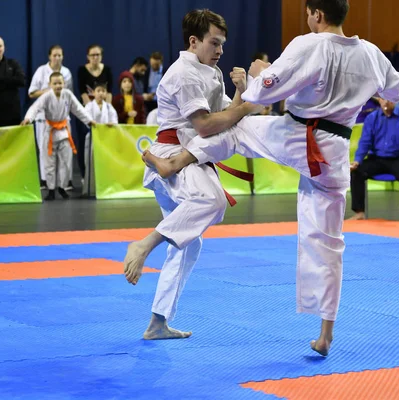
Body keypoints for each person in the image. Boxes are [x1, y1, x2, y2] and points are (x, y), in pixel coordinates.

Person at [141, 0, 399, 356]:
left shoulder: (307, 44)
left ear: (316, 14)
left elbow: (263, 92)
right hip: (336, 150)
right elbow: (397, 92)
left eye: (308, 13)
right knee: (329, 242)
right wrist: (353, 89)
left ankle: (176, 163)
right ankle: (325, 334)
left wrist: (260, 72)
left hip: (298, 135)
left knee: (238, 128)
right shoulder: (372, 54)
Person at [122, 9, 261, 341]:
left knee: (189, 243)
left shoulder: (209, 72)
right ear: (194, 41)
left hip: (185, 162)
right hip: (171, 160)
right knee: (211, 200)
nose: (220, 51)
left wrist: (241, 92)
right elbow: (205, 125)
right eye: (214, 43)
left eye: (223, 44)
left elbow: (226, 115)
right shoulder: (184, 72)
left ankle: (158, 322)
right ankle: (143, 245)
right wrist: (247, 105)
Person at [21, 72, 95, 200]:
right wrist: (28, 119)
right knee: (49, 162)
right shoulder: (46, 96)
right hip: (49, 131)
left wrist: (89, 120)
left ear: (64, 83)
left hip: (64, 132)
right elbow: (35, 107)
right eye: (54, 83)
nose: (58, 86)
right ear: (50, 84)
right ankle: (50, 190)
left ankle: (62, 187)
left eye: (60, 83)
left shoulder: (68, 95)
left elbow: (78, 109)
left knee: (66, 162)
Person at [349, 99, 399, 223]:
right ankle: (359, 212)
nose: (386, 102)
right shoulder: (371, 118)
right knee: (356, 171)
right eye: (383, 99)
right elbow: (365, 141)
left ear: (396, 100)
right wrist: (357, 160)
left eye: (389, 100)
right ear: (379, 101)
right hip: (376, 158)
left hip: (398, 158)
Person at [28, 45, 74, 189]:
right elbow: (31, 93)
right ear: (49, 56)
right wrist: (49, 91)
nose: (57, 58)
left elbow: (70, 95)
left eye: (59, 55)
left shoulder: (66, 72)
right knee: (45, 151)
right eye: (54, 55)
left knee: (65, 152)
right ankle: (45, 181)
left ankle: (65, 181)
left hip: (63, 118)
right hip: (44, 119)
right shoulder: (41, 71)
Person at [76, 45, 113, 183]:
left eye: (97, 55)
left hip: (103, 111)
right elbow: (83, 93)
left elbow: (109, 92)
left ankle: (103, 174)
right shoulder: (82, 71)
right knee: (84, 143)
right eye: (92, 55)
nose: (95, 57)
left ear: (101, 56)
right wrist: (89, 115)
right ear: (88, 57)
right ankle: (85, 175)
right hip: (87, 111)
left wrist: (107, 109)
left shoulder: (107, 70)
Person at [83, 83, 118, 196]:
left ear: (106, 93)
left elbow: (114, 121)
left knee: (105, 164)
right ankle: (90, 190)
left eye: (103, 91)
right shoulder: (89, 106)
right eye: (98, 90)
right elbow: (86, 120)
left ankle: (104, 189)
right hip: (92, 138)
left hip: (105, 140)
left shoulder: (109, 107)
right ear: (93, 93)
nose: (101, 93)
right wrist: (96, 125)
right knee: (90, 163)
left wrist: (111, 124)